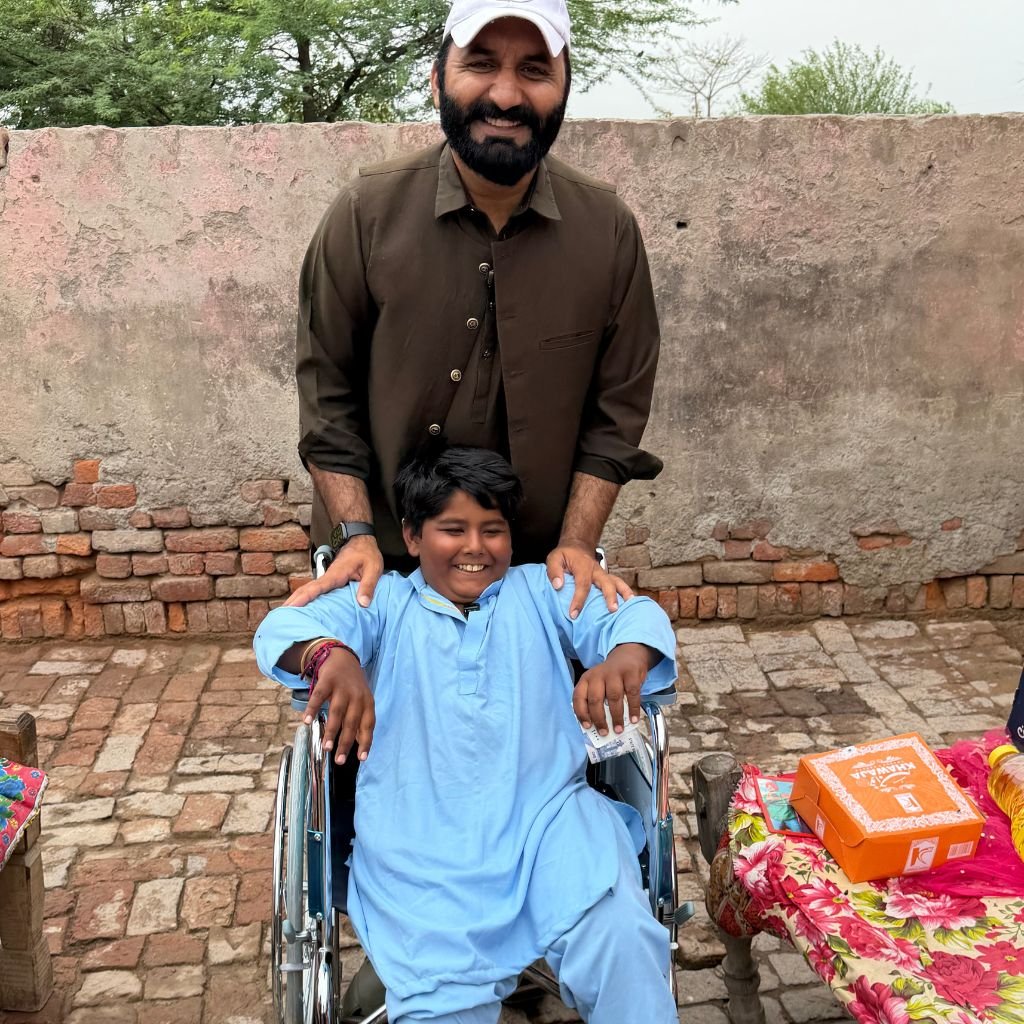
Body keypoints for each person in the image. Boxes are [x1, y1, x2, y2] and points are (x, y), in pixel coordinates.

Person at [254, 446, 678, 1024]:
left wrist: (625, 656)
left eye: (492, 530)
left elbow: (635, 614)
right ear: (412, 537)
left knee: (622, 940)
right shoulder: (383, 603)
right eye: (452, 530)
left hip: (547, 822)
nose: (475, 547)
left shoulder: (544, 590)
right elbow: (283, 627)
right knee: (440, 997)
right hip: (419, 839)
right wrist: (331, 655)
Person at [289, 0, 663, 620]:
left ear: (565, 88)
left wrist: (576, 543)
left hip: (538, 573)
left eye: (535, 70)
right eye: (481, 64)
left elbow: (616, 415)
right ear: (438, 79)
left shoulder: (608, 230)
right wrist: (352, 534)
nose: (507, 95)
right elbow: (327, 394)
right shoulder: (364, 215)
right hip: (380, 564)